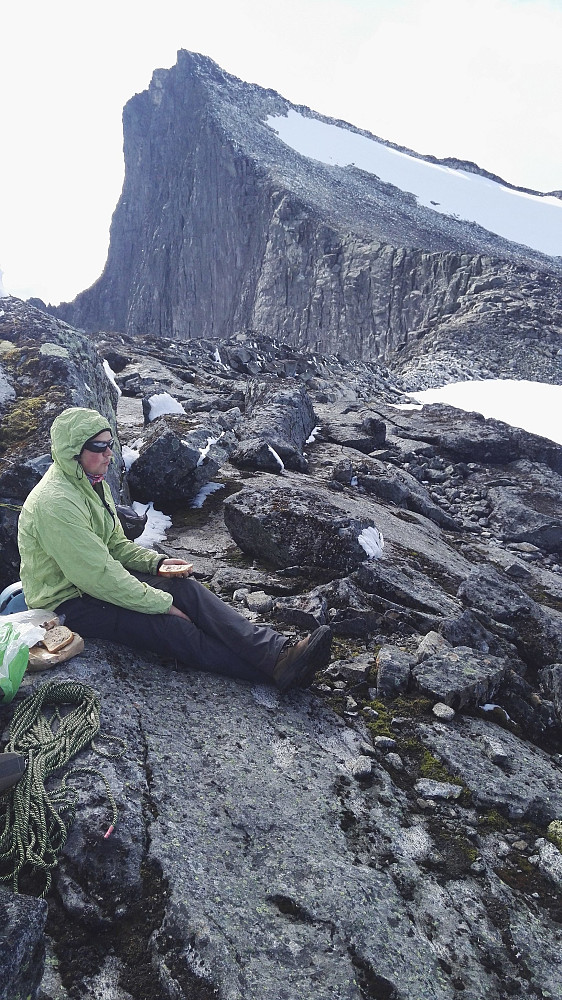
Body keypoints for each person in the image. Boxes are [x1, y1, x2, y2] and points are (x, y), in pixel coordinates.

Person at [17, 408, 332, 691]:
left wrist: (157, 564)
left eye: (111, 444)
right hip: (67, 604)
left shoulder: (90, 482)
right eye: (99, 447)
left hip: (92, 582)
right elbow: (97, 575)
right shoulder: (56, 502)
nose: (109, 453)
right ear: (73, 451)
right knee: (170, 626)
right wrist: (160, 603)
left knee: (186, 590)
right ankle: (275, 672)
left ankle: (277, 652)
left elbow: (113, 545)